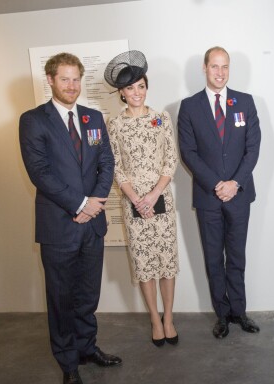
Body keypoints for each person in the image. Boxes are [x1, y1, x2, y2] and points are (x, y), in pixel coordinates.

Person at [19, 52, 121, 384]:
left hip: (91, 225)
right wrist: (79, 204)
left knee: (87, 296)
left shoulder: (93, 118)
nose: (72, 86)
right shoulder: (34, 121)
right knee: (61, 299)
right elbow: (40, 173)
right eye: (65, 79)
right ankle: (68, 365)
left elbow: (106, 162)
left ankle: (87, 348)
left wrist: (93, 204)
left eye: (76, 79)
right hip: (59, 227)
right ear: (50, 80)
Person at [178, 46, 261, 339]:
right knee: (214, 258)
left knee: (237, 256)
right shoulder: (189, 107)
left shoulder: (246, 103)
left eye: (225, 67)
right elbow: (188, 153)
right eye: (215, 66)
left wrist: (235, 183)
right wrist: (217, 184)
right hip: (208, 196)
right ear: (204, 68)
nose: (220, 72)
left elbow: (252, 149)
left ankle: (239, 311)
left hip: (239, 195)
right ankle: (222, 315)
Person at [104, 51, 180, 347]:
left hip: (161, 200)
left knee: (167, 262)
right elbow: (116, 167)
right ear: (121, 93)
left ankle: (169, 318)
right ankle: (154, 319)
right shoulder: (115, 125)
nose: (137, 92)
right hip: (133, 204)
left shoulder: (161, 118)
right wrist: (137, 199)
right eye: (130, 88)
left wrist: (153, 194)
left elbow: (170, 160)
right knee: (145, 263)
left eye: (141, 86)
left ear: (146, 87)